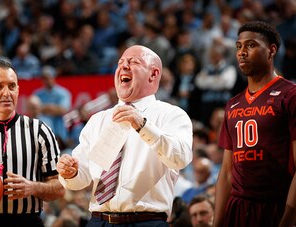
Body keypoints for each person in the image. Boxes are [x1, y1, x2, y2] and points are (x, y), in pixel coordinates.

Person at [56, 45, 193, 226]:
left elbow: (180, 158)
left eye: (133, 62)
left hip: (146, 221)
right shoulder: (99, 120)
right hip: (99, 221)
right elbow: (81, 178)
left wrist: (143, 125)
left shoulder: (171, 115)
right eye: (120, 63)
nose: (124, 66)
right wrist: (70, 173)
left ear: (153, 74)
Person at [0, 59, 66, 226]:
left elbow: (60, 187)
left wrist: (32, 187)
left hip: (27, 222)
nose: (7, 92)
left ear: (18, 90)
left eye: (12, 86)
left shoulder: (40, 131)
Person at [213, 21, 296, 227]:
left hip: (276, 205)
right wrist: (217, 222)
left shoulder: (290, 95)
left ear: (271, 50)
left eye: (251, 45)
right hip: (238, 207)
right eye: (239, 46)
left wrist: (287, 219)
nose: (242, 52)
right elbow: (226, 173)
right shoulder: (233, 104)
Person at [33, 65, 72, 145]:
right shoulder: (37, 94)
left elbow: (63, 110)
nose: (47, 80)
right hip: (42, 132)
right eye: (44, 78)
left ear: (54, 77)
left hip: (59, 131)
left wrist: (43, 108)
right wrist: (53, 108)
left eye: (49, 77)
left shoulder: (63, 92)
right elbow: (34, 111)